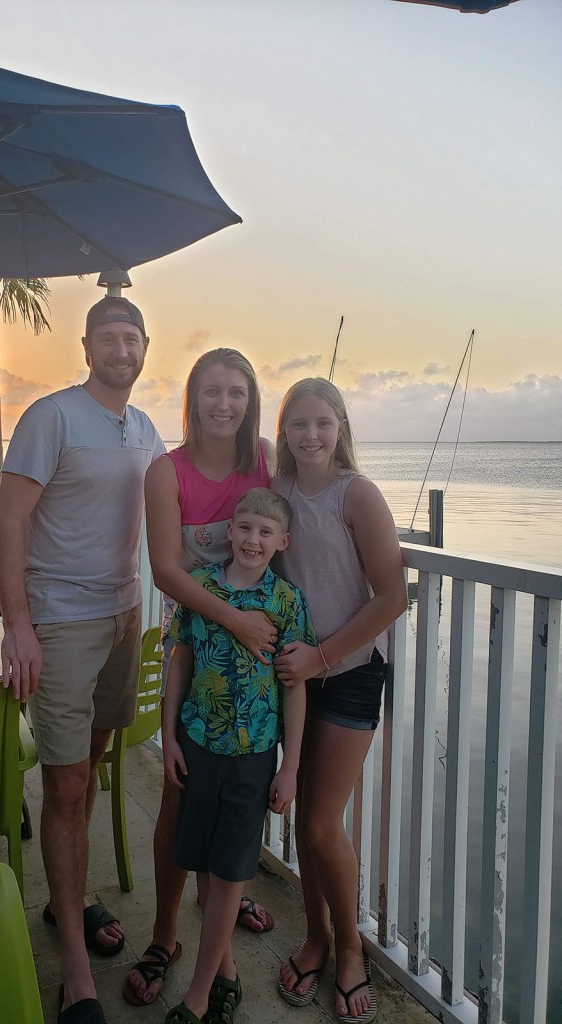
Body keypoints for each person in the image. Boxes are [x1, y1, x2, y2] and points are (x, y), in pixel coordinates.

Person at [0, 295, 164, 1024]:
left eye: (132, 338)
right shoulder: (51, 416)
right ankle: (76, 974)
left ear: (146, 346)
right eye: (109, 338)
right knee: (63, 785)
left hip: (124, 615)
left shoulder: (146, 428)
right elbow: (7, 519)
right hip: (59, 624)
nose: (122, 349)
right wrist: (17, 626)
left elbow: (172, 517)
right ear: (87, 345)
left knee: (88, 767)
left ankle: (73, 901)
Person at [124, 349, 278, 1008]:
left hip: (258, 665)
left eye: (236, 392)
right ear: (193, 397)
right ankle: (166, 933)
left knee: (242, 791)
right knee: (180, 791)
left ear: (250, 400)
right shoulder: (167, 470)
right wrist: (236, 621)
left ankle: (227, 896)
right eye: (211, 391)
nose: (224, 404)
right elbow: (165, 570)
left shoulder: (264, 460)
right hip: (192, 650)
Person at [271, 379, 407, 1024]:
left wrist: (322, 657)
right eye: (299, 424)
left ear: (342, 427)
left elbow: (391, 597)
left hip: (347, 672)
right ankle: (317, 937)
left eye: (323, 423)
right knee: (303, 821)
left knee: (323, 823)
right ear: (284, 431)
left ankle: (350, 949)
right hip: (296, 676)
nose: (311, 435)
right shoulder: (280, 495)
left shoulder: (358, 495)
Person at [161, 487, 316, 1024]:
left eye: (265, 531)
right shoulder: (201, 588)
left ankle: (198, 995)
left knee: (229, 873)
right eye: (245, 527)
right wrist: (170, 736)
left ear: (283, 541)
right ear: (230, 530)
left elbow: (295, 687)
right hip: (198, 745)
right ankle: (225, 971)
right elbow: (179, 660)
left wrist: (290, 767)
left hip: (253, 757)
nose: (253, 539)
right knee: (205, 865)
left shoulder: (286, 602)